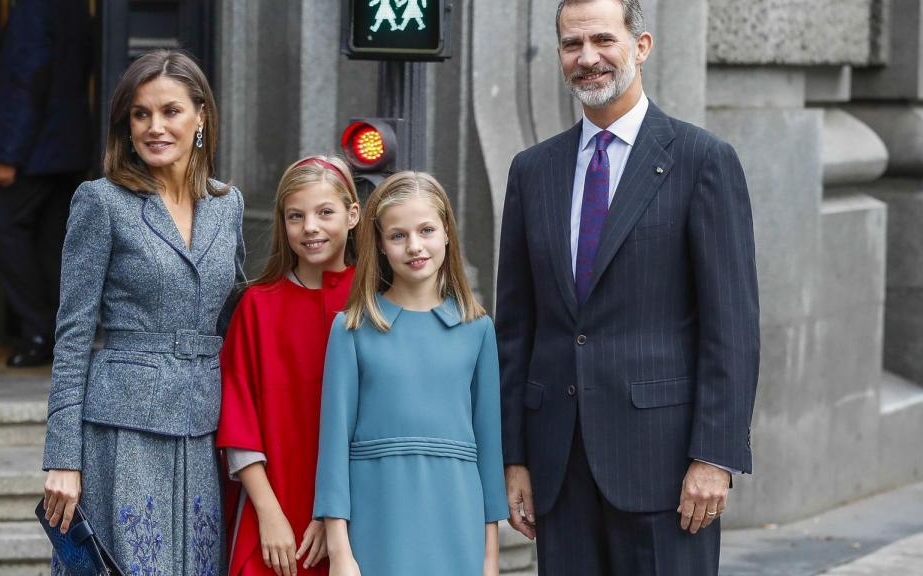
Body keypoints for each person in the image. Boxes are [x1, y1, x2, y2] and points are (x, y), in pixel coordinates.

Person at [496, 0, 760, 574]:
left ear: (640, 47)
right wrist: (513, 458)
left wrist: (714, 456)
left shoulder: (702, 160)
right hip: (558, 467)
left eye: (602, 40)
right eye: (571, 45)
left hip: (665, 470)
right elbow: (515, 328)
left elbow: (731, 326)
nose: (587, 58)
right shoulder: (532, 170)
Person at [40, 50, 245, 576]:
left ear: (201, 116)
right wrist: (63, 456)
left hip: (202, 426)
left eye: (171, 111)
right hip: (121, 428)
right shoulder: (101, 201)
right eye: (140, 114)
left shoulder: (228, 204)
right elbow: (73, 333)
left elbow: (238, 313)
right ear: (125, 124)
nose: (155, 127)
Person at [314, 172, 508, 576]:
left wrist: (490, 560)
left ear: (447, 233)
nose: (415, 246)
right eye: (398, 235)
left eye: (426, 230)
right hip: (377, 519)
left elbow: (490, 452)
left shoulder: (478, 330)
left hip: (458, 520)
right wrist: (340, 552)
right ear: (381, 246)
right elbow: (333, 446)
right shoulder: (352, 328)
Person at [217, 155, 361, 576]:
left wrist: (332, 517)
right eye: (295, 216)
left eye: (325, 213)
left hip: (359, 514)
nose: (310, 227)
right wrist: (269, 513)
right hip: (274, 507)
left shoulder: (373, 302)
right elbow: (238, 418)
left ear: (352, 215)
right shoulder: (257, 306)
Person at [0, 0, 91, 367]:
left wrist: (7, 155)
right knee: (51, 241)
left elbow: (28, 79)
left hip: (35, 148)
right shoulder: (76, 8)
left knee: (2, 224)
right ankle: (62, 337)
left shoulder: (33, 7)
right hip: (68, 141)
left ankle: (39, 329)